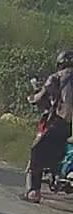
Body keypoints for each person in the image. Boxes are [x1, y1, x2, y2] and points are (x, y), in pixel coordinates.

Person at [23, 49, 73, 203]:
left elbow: (41, 96)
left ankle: (33, 191)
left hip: (62, 123)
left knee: (36, 150)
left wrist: (32, 98)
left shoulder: (57, 77)